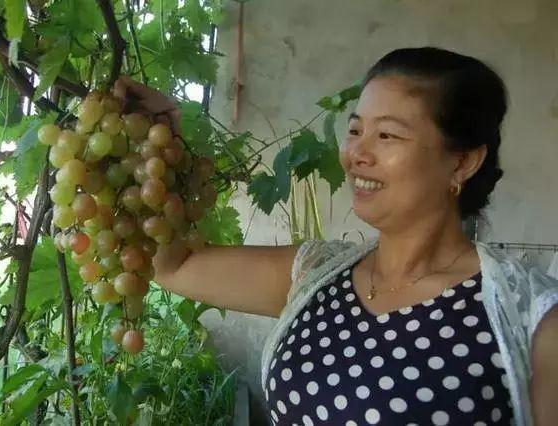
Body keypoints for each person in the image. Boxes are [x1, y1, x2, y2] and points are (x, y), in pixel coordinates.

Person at [123, 47, 558, 425]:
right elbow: (173, 265)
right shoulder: (317, 277)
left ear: (462, 163)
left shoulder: (530, 321)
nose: (356, 155)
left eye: (386, 135)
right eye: (354, 130)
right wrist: (165, 137)